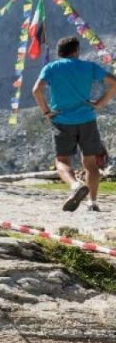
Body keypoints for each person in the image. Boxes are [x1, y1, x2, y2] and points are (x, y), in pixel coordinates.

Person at [31, 36, 116, 212]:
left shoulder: (52, 68)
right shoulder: (89, 67)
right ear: (76, 50)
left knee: (62, 162)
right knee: (91, 164)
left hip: (61, 120)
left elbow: (36, 90)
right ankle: (92, 203)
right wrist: (100, 103)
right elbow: (114, 83)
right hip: (87, 119)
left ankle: (75, 186)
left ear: (59, 52)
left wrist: (46, 112)